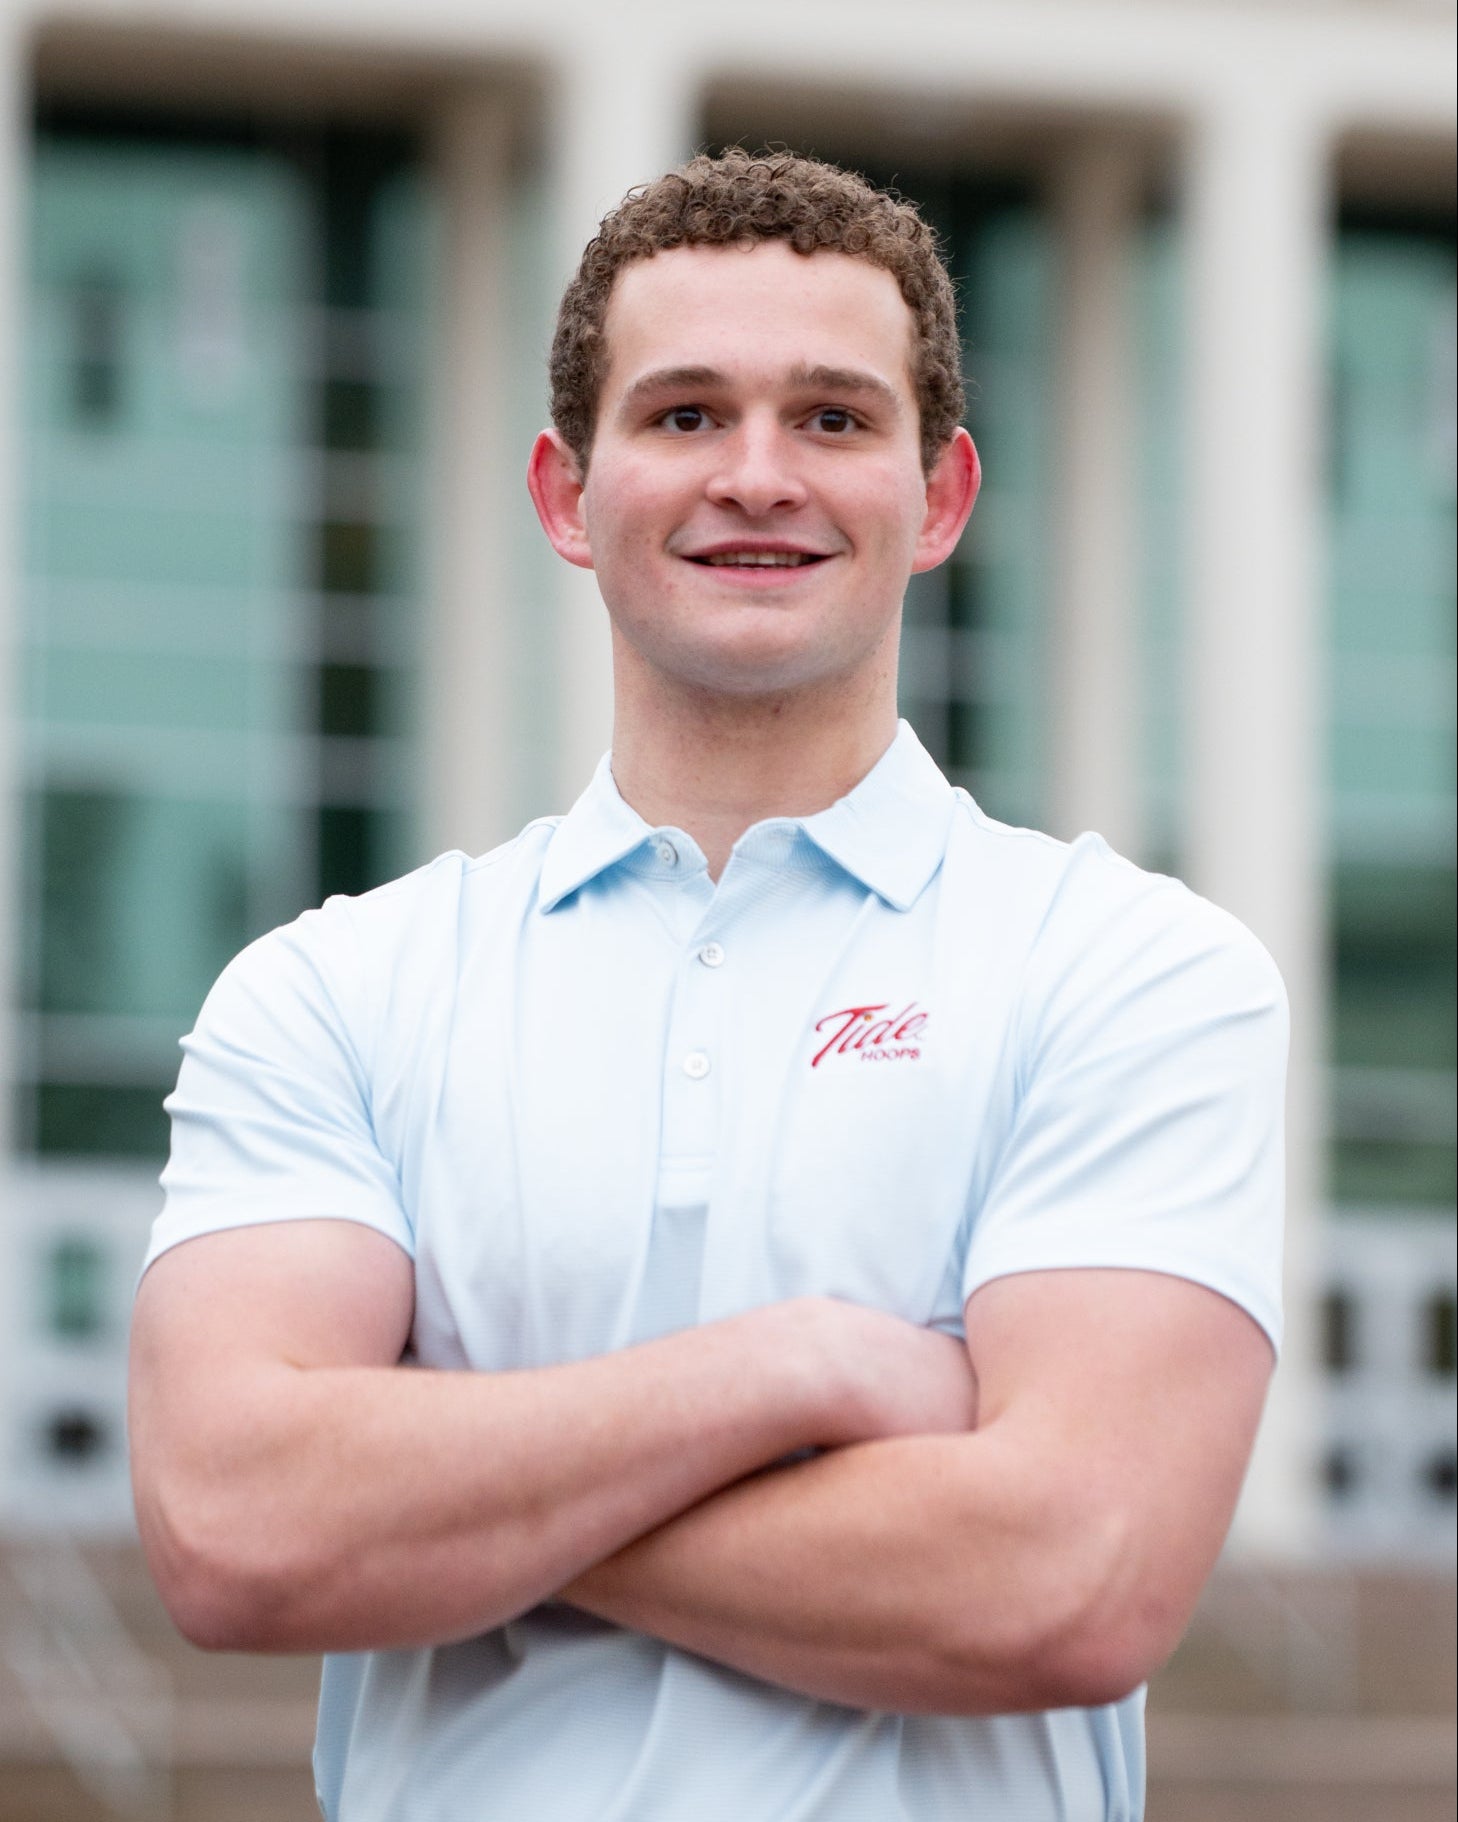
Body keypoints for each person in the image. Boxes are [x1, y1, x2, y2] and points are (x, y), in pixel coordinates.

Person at [129, 149, 1285, 1822]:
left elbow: (1070, 1574)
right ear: (563, 494)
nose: (758, 474)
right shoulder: (334, 989)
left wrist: (440, 1499)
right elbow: (236, 1531)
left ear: (940, 494)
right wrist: (796, 1369)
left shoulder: (1129, 971)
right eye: (682, 416)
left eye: (830, 418)